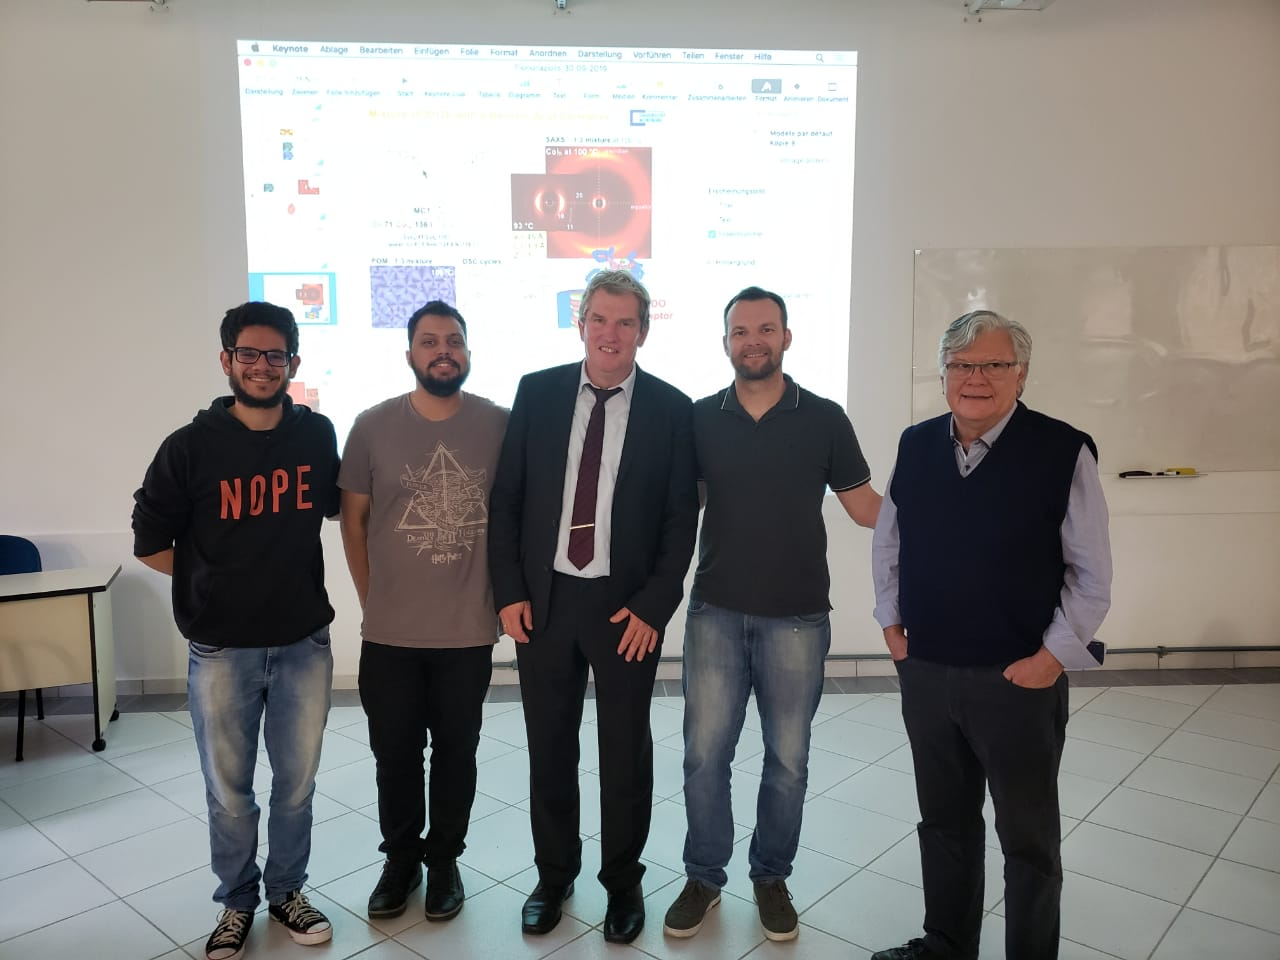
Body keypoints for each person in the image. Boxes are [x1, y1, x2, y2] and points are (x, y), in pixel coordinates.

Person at [869, 310, 1112, 960]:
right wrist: (891, 626)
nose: (975, 377)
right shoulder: (915, 444)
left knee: (1028, 841)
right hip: (927, 673)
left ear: (1021, 374)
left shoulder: (1063, 451)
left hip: (1017, 682)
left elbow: (1092, 575)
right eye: (962, 365)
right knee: (944, 823)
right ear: (943, 374)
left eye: (994, 364)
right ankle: (946, 945)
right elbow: (889, 542)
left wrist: (1051, 659)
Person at [661, 286, 882, 943]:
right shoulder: (699, 419)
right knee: (704, 757)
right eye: (740, 331)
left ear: (786, 337)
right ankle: (704, 876)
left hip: (798, 618)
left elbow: (865, 508)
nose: (752, 340)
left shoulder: (824, 418)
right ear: (726, 342)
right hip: (715, 614)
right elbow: (678, 510)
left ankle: (770, 877)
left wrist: (944, 513)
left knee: (787, 761)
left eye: (765, 329)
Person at [488, 269, 699, 944]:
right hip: (544, 602)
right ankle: (553, 877)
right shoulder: (537, 392)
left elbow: (680, 521)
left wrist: (654, 608)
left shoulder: (672, 409)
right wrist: (508, 592)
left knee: (624, 753)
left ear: (644, 330)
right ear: (580, 324)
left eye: (625, 322)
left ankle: (622, 882)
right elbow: (507, 499)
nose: (611, 333)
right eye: (600, 319)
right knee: (549, 747)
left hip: (625, 610)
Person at [132, 302, 340, 960]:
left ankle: (287, 892)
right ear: (226, 360)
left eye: (275, 355)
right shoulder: (189, 447)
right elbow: (149, 543)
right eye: (248, 353)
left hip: (304, 642)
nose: (261, 366)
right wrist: (213, 580)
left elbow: (343, 506)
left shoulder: (316, 435)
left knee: (296, 786)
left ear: (292, 364)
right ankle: (237, 902)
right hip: (222, 648)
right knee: (229, 792)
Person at [338, 301, 507, 922]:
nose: (443, 351)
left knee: (457, 754)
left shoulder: (500, 424)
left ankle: (444, 864)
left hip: (467, 631)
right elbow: (352, 523)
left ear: (468, 352)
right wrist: (371, 598)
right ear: (409, 353)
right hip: (390, 634)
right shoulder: (371, 426)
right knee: (395, 755)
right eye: (430, 341)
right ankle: (401, 861)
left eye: (454, 341)